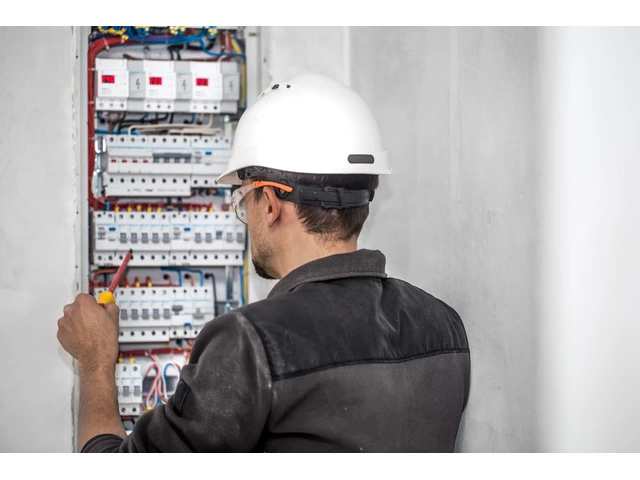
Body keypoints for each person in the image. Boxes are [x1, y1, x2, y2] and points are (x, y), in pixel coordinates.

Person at [57, 73, 470, 453]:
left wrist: (95, 362)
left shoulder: (251, 343)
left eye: (244, 199)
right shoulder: (443, 325)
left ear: (270, 203)